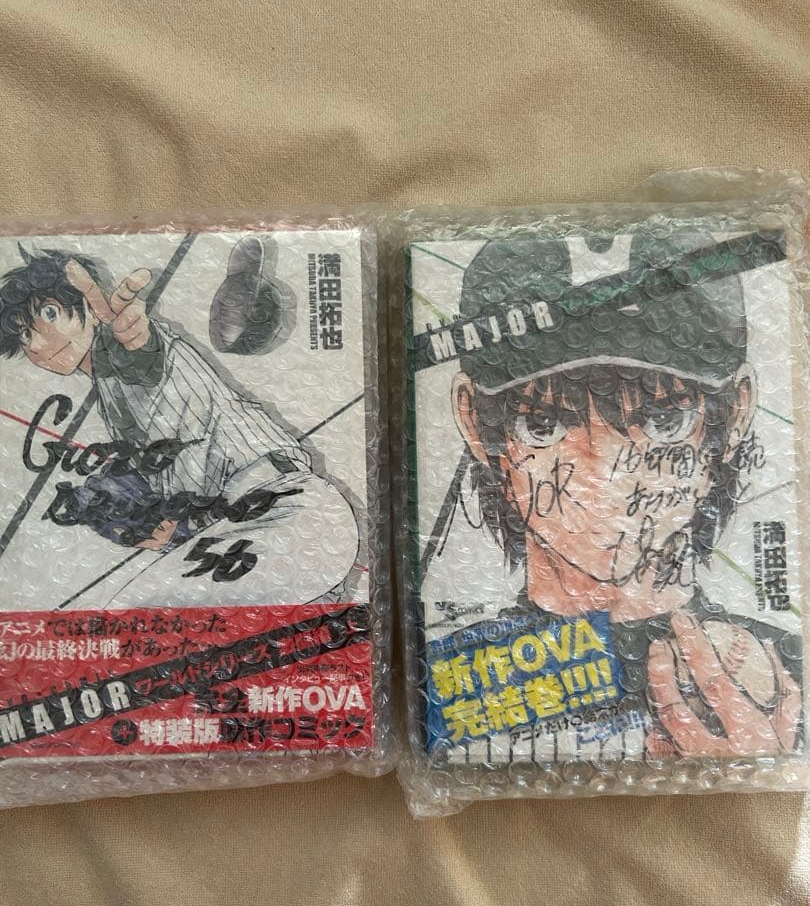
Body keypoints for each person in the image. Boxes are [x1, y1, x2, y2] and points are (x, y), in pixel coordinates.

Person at [442, 230, 802, 759]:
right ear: (475, 423)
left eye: (663, 420)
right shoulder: (453, 682)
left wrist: (753, 767)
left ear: (736, 412)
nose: (605, 473)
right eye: (543, 424)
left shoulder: (789, 669)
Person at [0, 246, 359, 606]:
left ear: (88, 305)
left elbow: (140, 353)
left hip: (276, 503)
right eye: (26, 336)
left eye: (50, 314)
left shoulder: (121, 347)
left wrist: (128, 335)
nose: (40, 343)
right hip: (246, 527)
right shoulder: (109, 391)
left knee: (135, 617)